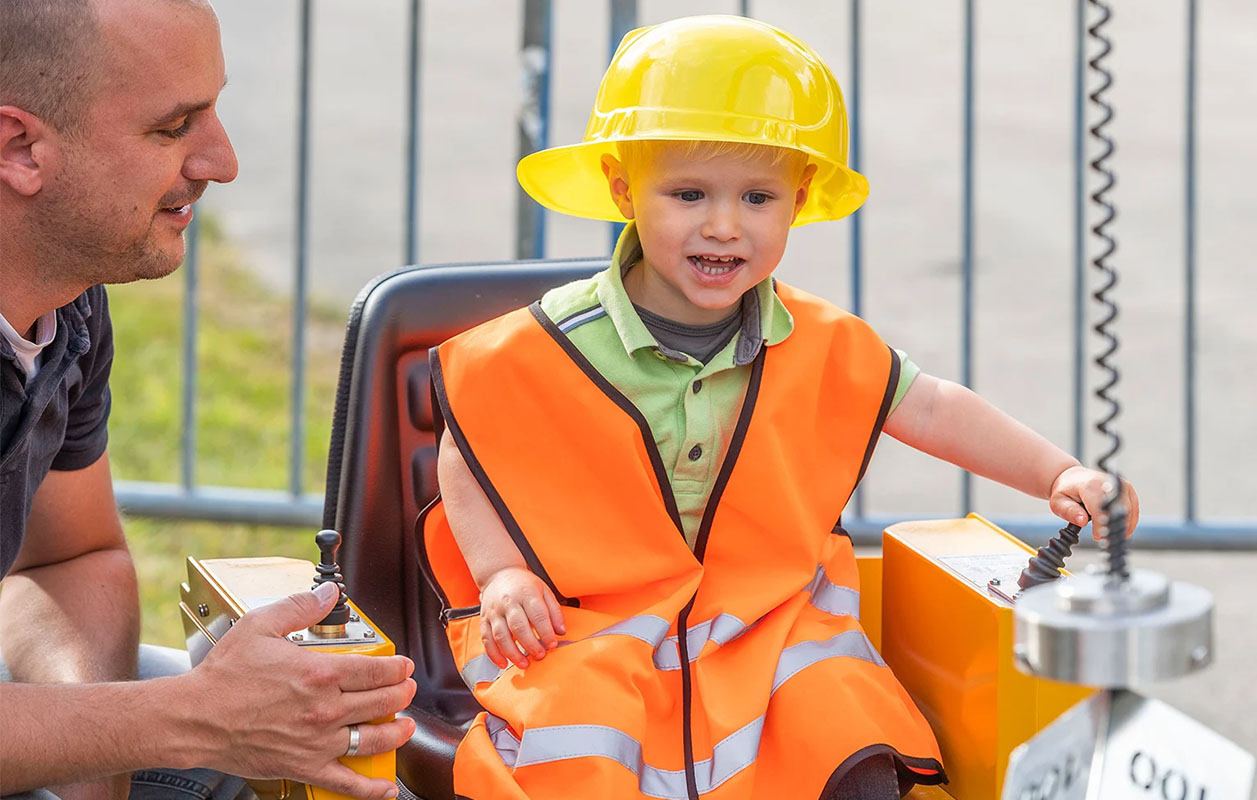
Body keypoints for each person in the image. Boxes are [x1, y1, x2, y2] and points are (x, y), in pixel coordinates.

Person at [420, 15, 1140, 800]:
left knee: (848, 723)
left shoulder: (824, 342)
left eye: (757, 197)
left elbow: (929, 407)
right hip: (582, 632)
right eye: (688, 193)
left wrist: (1058, 471)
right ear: (624, 190)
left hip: (765, 628)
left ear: (798, 202)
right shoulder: (546, 344)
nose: (724, 225)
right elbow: (470, 444)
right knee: (576, 753)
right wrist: (499, 574)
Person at [0, 1, 417, 798]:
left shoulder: (66, 303)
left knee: (321, 748)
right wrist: (191, 715)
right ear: (20, 147)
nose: (222, 162)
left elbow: (68, 557)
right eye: (174, 126)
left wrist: (99, 782)